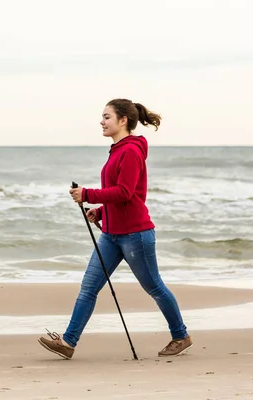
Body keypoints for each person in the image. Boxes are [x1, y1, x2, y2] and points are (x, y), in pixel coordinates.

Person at [38, 98, 192, 360]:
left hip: (135, 234)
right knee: (89, 287)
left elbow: (125, 192)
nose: (101, 121)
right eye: (102, 116)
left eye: (107, 116)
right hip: (111, 234)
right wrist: (99, 211)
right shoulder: (118, 150)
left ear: (123, 120)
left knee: (154, 287)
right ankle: (68, 342)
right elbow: (120, 196)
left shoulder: (130, 151)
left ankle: (181, 335)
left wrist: (88, 193)